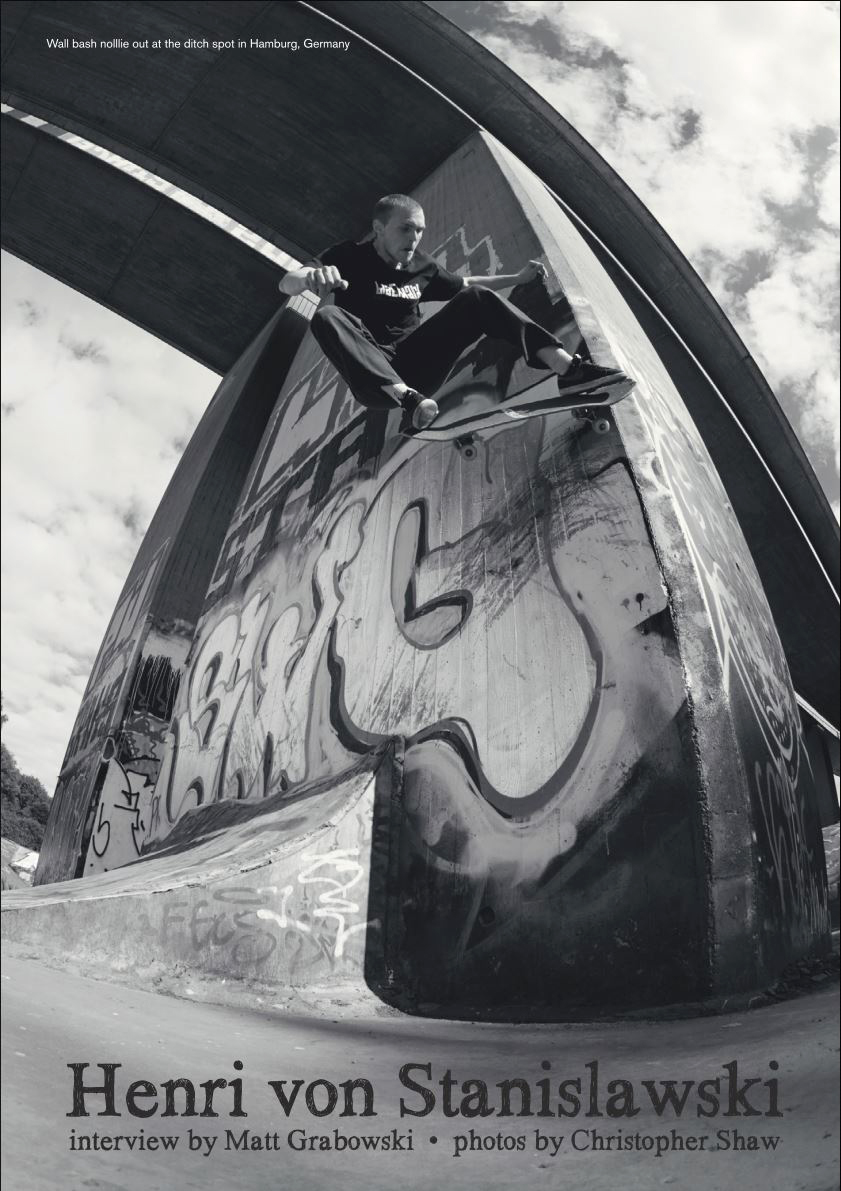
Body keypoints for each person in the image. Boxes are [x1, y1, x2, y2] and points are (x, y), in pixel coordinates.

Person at [279, 193, 628, 430]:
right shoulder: (348, 256)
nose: (414, 238)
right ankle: (407, 400)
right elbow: (286, 282)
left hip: (419, 364)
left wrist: (517, 277)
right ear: (379, 229)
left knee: (475, 298)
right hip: (375, 379)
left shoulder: (422, 266)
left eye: (419, 231)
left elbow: (466, 284)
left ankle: (568, 369)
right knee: (326, 316)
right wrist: (310, 277)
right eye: (405, 229)